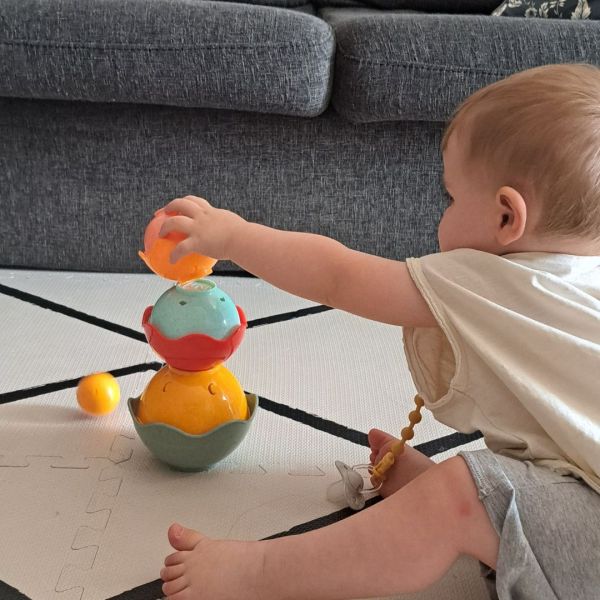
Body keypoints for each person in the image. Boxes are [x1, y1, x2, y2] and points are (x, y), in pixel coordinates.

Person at [157, 63, 600, 600]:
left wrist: (234, 236)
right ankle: (464, 508)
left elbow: (338, 276)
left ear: (507, 218)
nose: (443, 214)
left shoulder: (495, 279)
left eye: (452, 198)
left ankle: (259, 572)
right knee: (482, 484)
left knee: (457, 496)